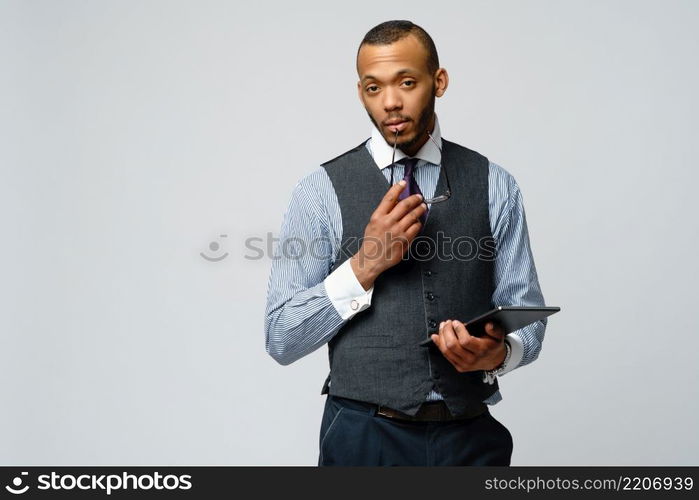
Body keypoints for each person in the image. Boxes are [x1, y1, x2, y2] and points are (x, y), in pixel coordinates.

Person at [264, 20, 548, 466]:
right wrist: (365, 264)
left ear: (439, 82)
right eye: (374, 88)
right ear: (361, 93)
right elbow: (281, 337)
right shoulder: (318, 191)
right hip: (362, 438)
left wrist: (501, 353)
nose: (391, 102)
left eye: (408, 83)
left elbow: (527, 314)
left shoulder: (496, 184)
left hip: (470, 437)